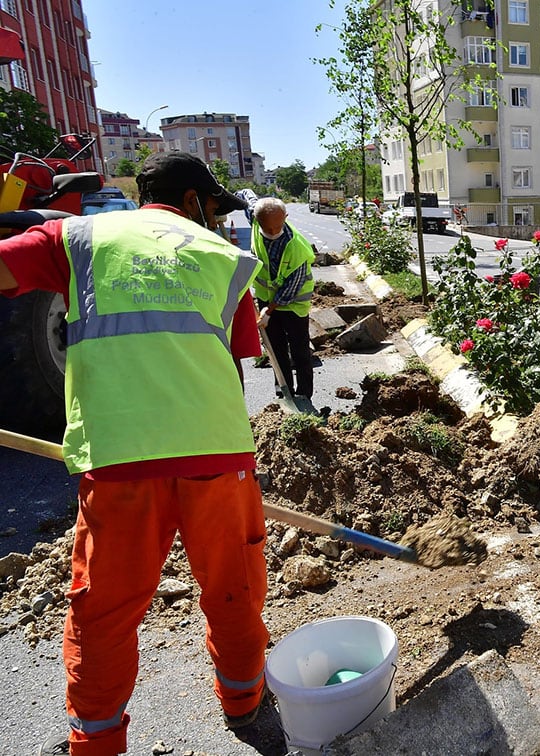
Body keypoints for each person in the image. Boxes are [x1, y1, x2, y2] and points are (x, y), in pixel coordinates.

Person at [0, 151, 271, 755]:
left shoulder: (77, 238)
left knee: (105, 613)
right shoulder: (225, 260)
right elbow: (236, 358)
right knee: (234, 588)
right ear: (194, 201)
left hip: (120, 459)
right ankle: (245, 701)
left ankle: (95, 743)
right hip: (217, 455)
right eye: (213, 208)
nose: (215, 220)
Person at [250, 197, 316, 400]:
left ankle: (304, 394)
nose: (272, 232)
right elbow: (246, 199)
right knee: (275, 350)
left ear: (285, 218)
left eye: (277, 227)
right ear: (257, 220)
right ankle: (284, 392)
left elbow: (291, 287)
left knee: (300, 351)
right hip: (265, 300)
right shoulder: (255, 224)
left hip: (293, 305)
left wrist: (268, 311)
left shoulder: (296, 247)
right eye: (267, 228)